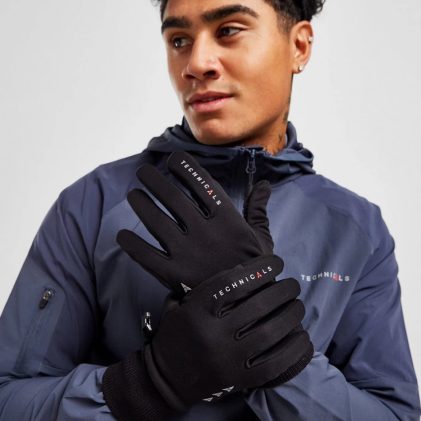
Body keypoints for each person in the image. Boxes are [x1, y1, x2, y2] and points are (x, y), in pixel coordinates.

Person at [0, 0, 420, 419]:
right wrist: (151, 382)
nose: (196, 64)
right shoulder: (94, 203)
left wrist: (273, 354)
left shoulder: (355, 229)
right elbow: (8, 398)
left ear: (299, 46)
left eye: (229, 31)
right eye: (179, 40)